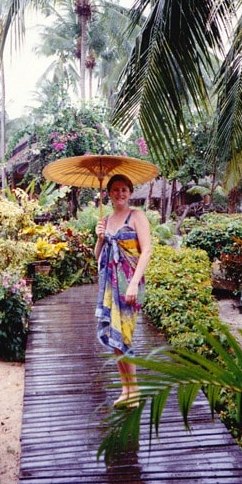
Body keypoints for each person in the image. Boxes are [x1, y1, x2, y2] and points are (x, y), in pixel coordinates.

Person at [94, 174, 151, 407]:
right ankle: (126, 389)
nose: (120, 193)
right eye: (115, 189)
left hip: (129, 282)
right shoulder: (106, 219)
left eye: (124, 189)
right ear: (108, 193)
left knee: (125, 336)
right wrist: (99, 238)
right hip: (109, 284)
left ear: (130, 192)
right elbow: (98, 257)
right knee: (114, 337)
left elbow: (146, 251)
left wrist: (135, 283)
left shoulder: (136, 216)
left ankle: (134, 391)